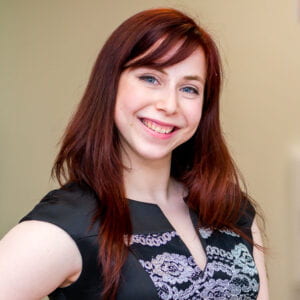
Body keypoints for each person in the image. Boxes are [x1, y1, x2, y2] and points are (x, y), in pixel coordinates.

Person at [0, 8, 269, 300]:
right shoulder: (69, 224)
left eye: (189, 88)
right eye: (151, 78)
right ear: (111, 84)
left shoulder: (231, 210)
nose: (169, 104)